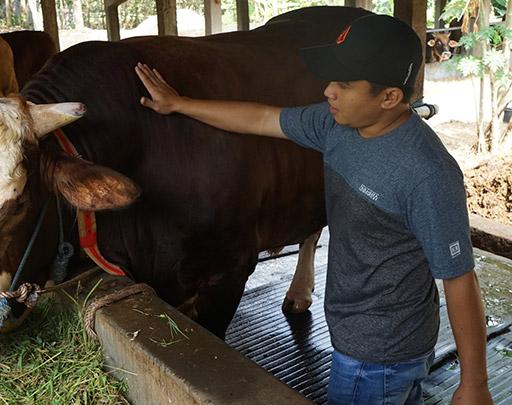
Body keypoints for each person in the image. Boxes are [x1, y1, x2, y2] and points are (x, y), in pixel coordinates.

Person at [134, 13, 491, 405]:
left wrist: (473, 383)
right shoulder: (336, 125)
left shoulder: (427, 174)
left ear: (389, 97)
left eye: (343, 84)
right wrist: (180, 104)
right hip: (361, 337)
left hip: (377, 356)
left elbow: (460, 280)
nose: (327, 91)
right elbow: (261, 117)